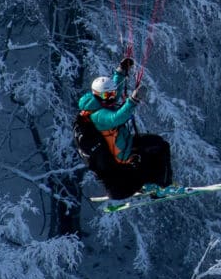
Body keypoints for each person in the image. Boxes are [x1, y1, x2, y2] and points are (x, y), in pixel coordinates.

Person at [73, 53, 174, 198]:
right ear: (97, 94)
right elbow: (117, 118)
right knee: (160, 147)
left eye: (111, 94)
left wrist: (120, 71)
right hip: (123, 151)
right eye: (107, 96)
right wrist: (133, 100)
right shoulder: (98, 115)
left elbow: (115, 89)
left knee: (155, 143)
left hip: (124, 143)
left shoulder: (98, 103)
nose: (111, 98)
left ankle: (152, 184)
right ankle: (164, 186)